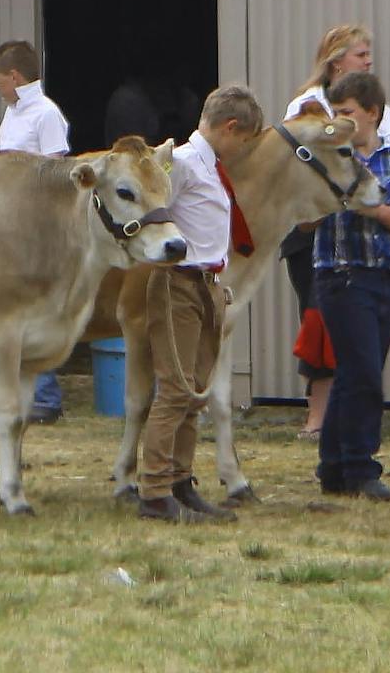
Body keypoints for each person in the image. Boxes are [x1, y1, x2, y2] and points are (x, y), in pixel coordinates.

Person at [138, 83, 261, 524]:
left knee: (195, 390)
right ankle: (153, 490)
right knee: (175, 388)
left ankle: (179, 481)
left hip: (208, 282)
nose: (242, 150)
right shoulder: (186, 164)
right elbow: (154, 209)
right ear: (230, 129)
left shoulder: (208, 168)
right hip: (180, 282)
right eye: (244, 141)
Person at [281, 24, 390, 439]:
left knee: (361, 321)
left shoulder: (381, 109)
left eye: (368, 55)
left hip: (364, 223)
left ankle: (351, 413)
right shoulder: (306, 105)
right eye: (361, 54)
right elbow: (292, 164)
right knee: (318, 317)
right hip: (314, 226)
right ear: (336, 61)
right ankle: (318, 416)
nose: (369, 61)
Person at [311, 71, 390, 500]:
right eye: (336, 113)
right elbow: (302, 221)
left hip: (384, 276)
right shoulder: (325, 161)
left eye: (348, 113)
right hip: (339, 275)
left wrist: (375, 209)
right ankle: (362, 467)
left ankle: (333, 468)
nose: (341, 121)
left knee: (356, 373)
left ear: (373, 113)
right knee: (363, 374)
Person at [0, 40, 70, 424]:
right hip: (9, 222)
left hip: (35, 224)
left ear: (15, 77)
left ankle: (46, 395)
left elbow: (55, 171)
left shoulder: (45, 115)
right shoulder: (12, 113)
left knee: (35, 306)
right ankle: (23, 389)